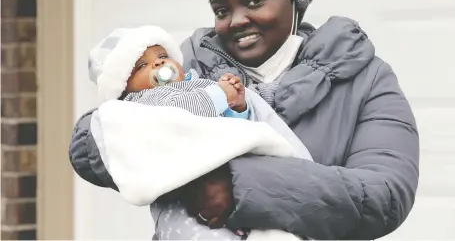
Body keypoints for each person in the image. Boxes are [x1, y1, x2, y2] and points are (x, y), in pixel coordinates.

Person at [69, 0, 419, 240]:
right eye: (222, 10)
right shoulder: (192, 64)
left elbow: (384, 195)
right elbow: (91, 143)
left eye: (254, 1)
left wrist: (238, 186)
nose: (235, 21)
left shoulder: (364, 78)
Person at [85, 24, 313, 240]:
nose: (157, 64)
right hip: (185, 206)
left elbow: (232, 129)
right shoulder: (141, 103)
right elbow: (182, 112)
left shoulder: (198, 85)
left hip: (232, 186)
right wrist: (220, 96)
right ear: (124, 87)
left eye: (162, 57)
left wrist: (238, 108)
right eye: (141, 66)